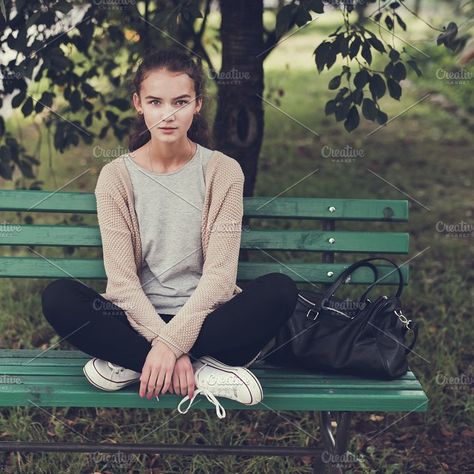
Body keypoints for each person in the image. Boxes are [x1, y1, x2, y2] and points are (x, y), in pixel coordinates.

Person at [41, 47, 299, 419]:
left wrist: (171, 344)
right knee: (58, 297)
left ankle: (133, 364)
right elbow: (123, 284)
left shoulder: (222, 171)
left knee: (279, 290)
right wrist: (165, 345)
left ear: (197, 104)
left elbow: (220, 280)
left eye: (180, 101)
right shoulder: (116, 177)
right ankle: (202, 371)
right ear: (138, 104)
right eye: (155, 102)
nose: (168, 114)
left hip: (211, 322)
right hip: (135, 321)